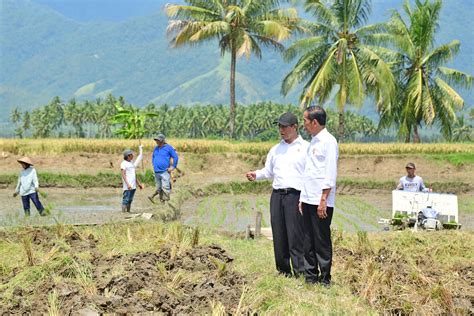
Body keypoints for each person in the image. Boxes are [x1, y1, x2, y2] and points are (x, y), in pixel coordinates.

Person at [245, 112, 309, 277]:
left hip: (296, 196)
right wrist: (256, 174)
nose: (281, 130)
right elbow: (269, 171)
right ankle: (283, 270)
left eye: (285, 126)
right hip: (277, 195)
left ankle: (300, 271)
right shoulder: (275, 149)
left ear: (295, 127)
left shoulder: (306, 148)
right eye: (279, 126)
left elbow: (311, 175)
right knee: (279, 233)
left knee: (295, 234)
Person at [300, 105, 338, 286]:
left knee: (321, 240)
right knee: (308, 239)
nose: (304, 125)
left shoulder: (329, 142)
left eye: (305, 121)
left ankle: (324, 278)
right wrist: (302, 198)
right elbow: (309, 172)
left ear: (315, 122)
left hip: (321, 201)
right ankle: (310, 276)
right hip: (308, 198)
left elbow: (329, 173)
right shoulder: (313, 142)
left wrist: (323, 199)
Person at [149, 134, 179, 203]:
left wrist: (173, 167)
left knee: (165, 187)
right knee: (159, 188)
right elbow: (153, 157)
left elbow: (175, 157)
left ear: (162, 140)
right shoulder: (156, 148)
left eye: (158, 140)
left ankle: (166, 204)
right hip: (157, 172)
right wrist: (154, 164)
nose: (156, 141)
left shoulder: (168, 148)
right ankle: (162, 202)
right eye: (156, 140)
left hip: (164, 171)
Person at [121, 145, 144, 213]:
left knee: (130, 200)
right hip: (128, 186)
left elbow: (134, 175)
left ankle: (128, 212)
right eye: (131, 155)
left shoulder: (131, 164)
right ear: (128, 156)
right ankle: (123, 213)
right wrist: (128, 184)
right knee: (126, 200)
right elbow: (123, 175)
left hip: (133, 186)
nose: (133, 156)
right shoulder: (123, 164)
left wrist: (138, 184)